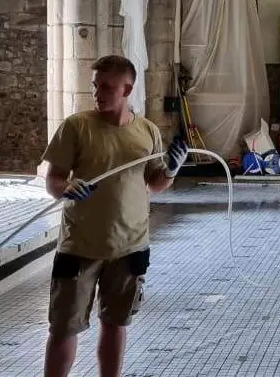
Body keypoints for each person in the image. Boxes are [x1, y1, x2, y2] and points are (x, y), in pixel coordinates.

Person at [40, 55, 189, 377]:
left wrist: (173, 170)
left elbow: (155, 183)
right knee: (64, 327)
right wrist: (66, 187)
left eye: (106, 87)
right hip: (79, 246)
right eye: (96, 86)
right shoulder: (76, 126)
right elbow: (53, 180)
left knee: (115, 323)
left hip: (129, 246)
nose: (98, 93)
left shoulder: (147, 131)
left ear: (127, 89)